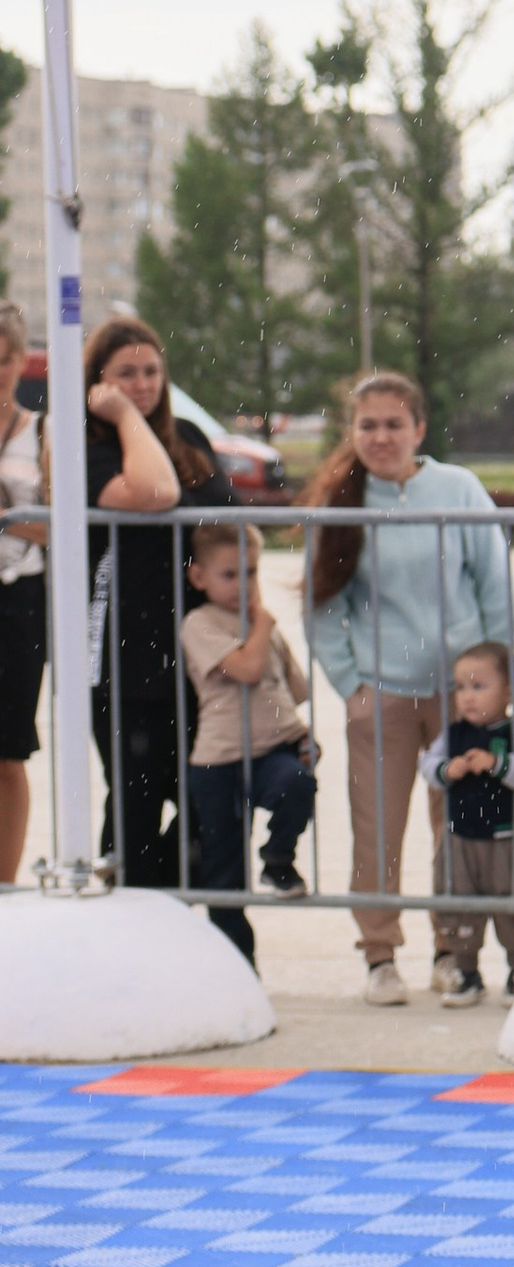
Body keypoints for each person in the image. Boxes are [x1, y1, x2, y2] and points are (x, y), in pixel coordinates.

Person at [303, 370, 513, 1006]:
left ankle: (453, 952)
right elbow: (324, 607)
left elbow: (493, 581)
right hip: (383, 692)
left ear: (419, 428)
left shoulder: (458, 488)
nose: (381, 436)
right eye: (368, 425)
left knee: (458, 827)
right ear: (352, 432)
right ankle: (379, 955)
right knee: (377, 827)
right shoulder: (341, 500)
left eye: (395, 423)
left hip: (461, 694)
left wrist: (494, 678)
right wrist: (350, 684)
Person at [60, 315, 232, 886]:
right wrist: (128, 419)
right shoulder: (87, 445)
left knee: (207, 792)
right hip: (122, 655)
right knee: (135, 796)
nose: (143, 384)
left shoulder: (190, 438)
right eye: (126, 374)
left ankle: (179, 907)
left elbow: (228, 526)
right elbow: (157, 493)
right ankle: (136, 911)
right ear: (97, 382)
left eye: (152, 371)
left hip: (199, 649)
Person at [180, 520, 317, 966]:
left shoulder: (262, 625)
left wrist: (299, 733)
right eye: (230, 575)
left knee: (298, 784)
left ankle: (277, 857)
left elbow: (294, 687)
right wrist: (263, 624)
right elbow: (247, 669)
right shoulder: (200, 623)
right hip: (219, 763)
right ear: (197, 577)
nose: (244, 585)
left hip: (271, 753)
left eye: (252, 573)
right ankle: (237, 966)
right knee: (225, 873)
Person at [420, 640, 514, 1008]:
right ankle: (466, 972)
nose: (468, 697)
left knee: (511, 904)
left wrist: (498, 764)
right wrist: (446, 770)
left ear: (508, 691)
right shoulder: (453, 734)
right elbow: (428, 764)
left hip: (504, 838)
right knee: (460, 904)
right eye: (461, 687)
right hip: (459, 838)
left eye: (479, 686)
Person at [0, 300, 44, 884]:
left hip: (19, 602)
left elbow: (54, 525)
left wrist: (7, 512)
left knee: (8, 754)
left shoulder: (43, 432)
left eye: (6, 359)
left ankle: (6, 887)